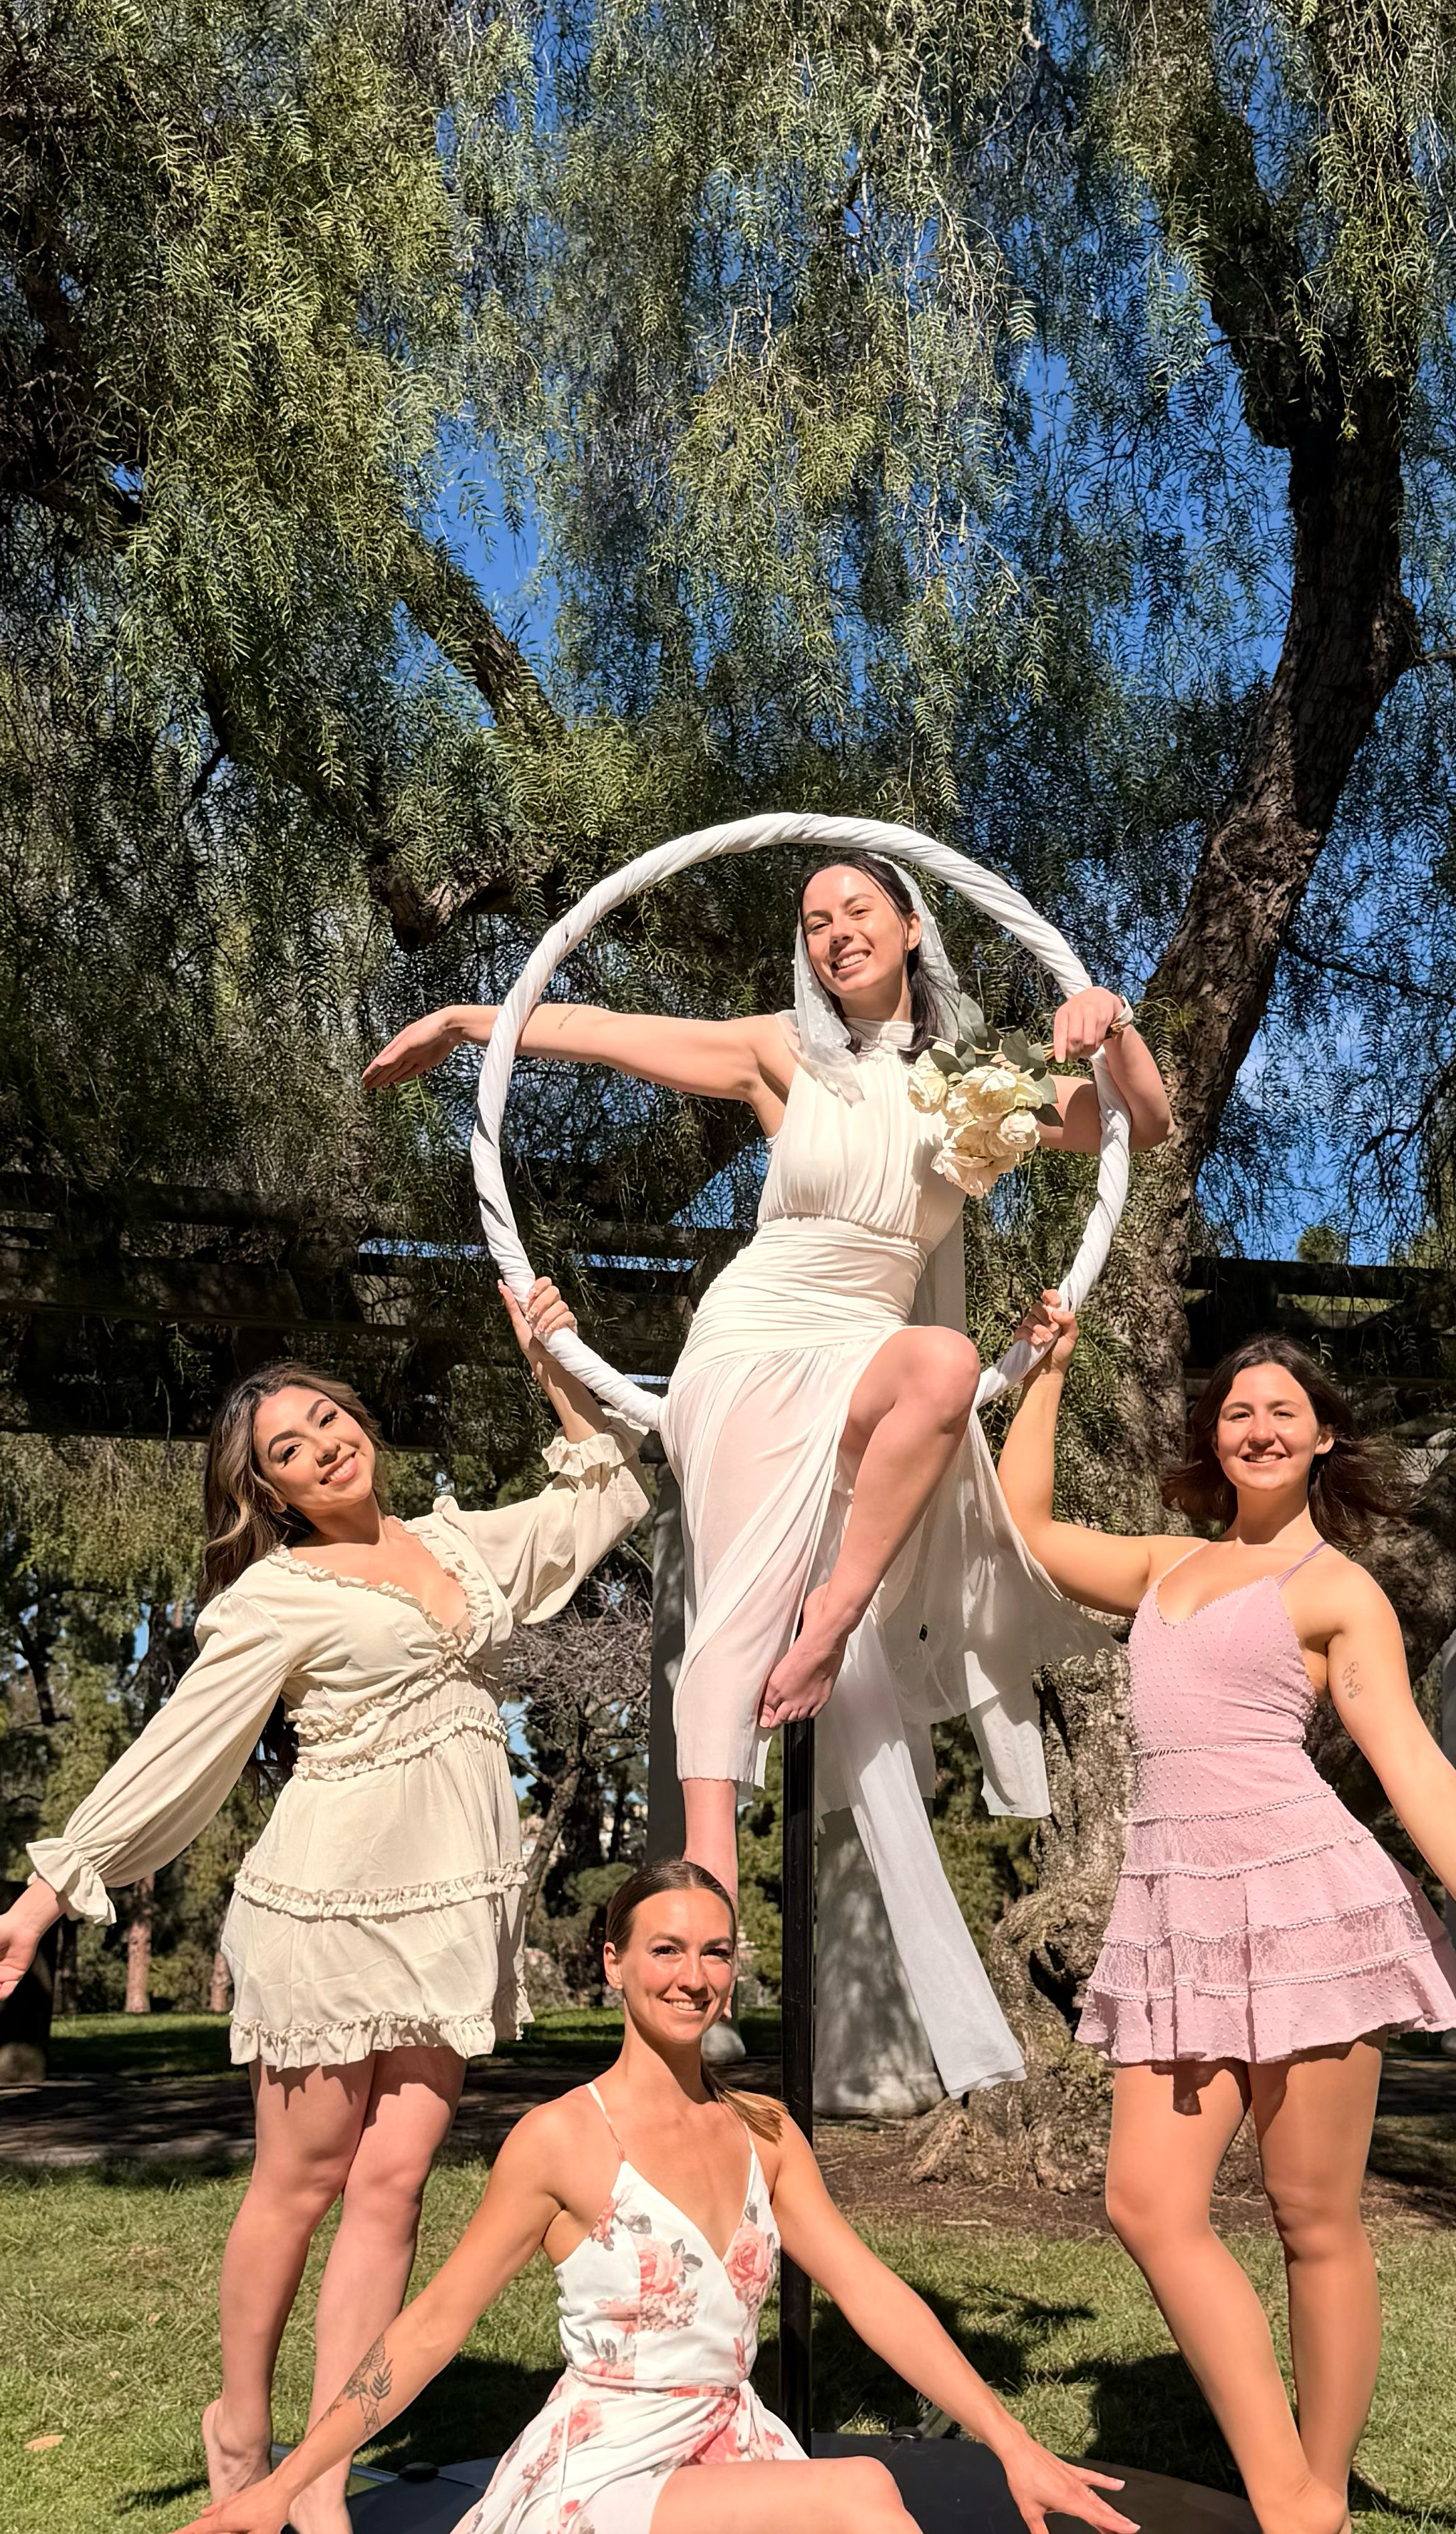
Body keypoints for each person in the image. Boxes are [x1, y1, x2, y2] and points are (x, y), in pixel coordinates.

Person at [66, 1860, 1456, 2534]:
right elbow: (424, 2332)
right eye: (663, 1948)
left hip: (722, 2472)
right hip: (597, 2493)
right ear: (611, 1965)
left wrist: (1014, 2438)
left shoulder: (760, 2131)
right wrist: (285, 2475)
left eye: (713, 1951)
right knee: (859, 2505)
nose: (694, 1972)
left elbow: (876, 2295)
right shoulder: (560, 2142)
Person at [362, 856, 1176, 2095]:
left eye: (857, 911)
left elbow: (1143, 1126)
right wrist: (480, 1020)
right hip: (750, 1343)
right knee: (729, 1620)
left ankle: (834, 1615)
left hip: (869, 1342)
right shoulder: (777, 1055)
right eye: (813, 922)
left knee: (946, 1369)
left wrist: (1108, 1023)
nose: (834, 931)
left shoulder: (981, 1089)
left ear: (912, 928)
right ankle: (701, 1931)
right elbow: (607, 1034)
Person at [0, 1283, 650, 2534]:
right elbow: (178, 1756)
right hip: (328, 1911)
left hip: (446, 1912)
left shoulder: (465, 1547)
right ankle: (240, 2433)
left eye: (329, 1419)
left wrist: (547, 1352)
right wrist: (49, 1897)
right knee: (304, 2183)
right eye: (289, 1450)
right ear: (270, 1493)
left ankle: (320, 2487)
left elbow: (605, 1488)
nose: (323, 1444)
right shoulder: (272, 1597)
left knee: (391, 2195)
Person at [998, 1313, 1456, 2534]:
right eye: (1236, 1412)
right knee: (1148, 2203)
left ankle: (1317, 2498)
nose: (1259, 1426)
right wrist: (1046, 1364)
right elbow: (1027, 1527)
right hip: (1176, 1909)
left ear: (1322, 1436)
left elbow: (1405, 1753)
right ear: (1212, 1442)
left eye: (1283, 1410)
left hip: (1306, 1903)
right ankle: (1285, 2497)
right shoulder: (1165, 1564)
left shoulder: (1339, 1590)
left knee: (1310, 2218)